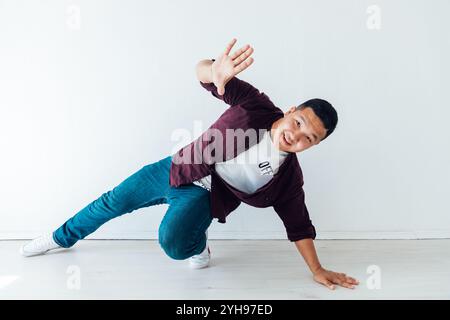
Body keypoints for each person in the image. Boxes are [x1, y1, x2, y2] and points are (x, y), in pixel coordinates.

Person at [20, 38, 359, 290]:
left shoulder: (288, 179)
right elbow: (203, 72)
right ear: (290, 111)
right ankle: (57, 238)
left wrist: (317, 269)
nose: (296, 136)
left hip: (203, 198)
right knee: (111, 202)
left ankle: (198, 245)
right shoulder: (255, 105)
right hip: (178, 167)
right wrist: (214, 71)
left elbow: (298, 224)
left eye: (309, 139)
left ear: (313, 146)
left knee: (173, 243)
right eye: (298, 123)